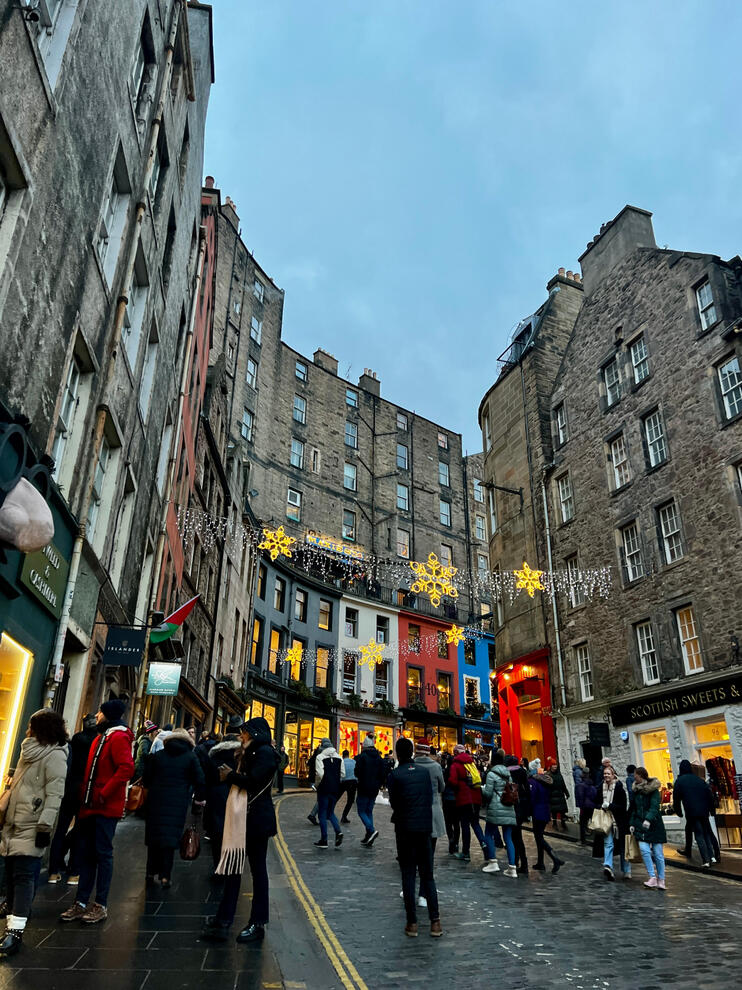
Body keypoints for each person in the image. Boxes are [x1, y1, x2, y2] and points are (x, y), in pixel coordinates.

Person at [202, 717, 279, 943]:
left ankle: (258, 922)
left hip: (256, 821)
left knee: (258, 871)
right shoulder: (249, 752)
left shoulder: (265, 753)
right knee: (233, 870)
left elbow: (253, 781)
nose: (241, 736)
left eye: (244, 733)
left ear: (254, 733)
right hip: (243, 818)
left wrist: (231, 775)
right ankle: (223, 919)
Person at [59, 698, 134, 924]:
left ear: (108, 715)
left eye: (100, 712)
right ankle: (81, 902)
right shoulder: (101, 737)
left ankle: (100, 904)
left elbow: (126, 768)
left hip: (105, 808)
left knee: (102, 854)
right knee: (86, 853)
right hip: (90, 806)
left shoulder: (118, 737)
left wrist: (104, 793)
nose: (97, 716)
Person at [0, 709, 68, 956]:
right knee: (11, 876)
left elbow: (55, 794)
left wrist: (44, 826)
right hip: (13, 822)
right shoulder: (27, 750)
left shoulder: (56, 755)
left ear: (41, 728)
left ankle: (15, 932)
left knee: (24, 877)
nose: (27, 729)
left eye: (31, 725)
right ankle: (11, 923)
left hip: (33, 823)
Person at [387, 738, 442, 939]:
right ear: (411, 752)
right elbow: (429, 798)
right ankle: (435, 922)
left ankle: (412, 923)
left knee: (408, 874)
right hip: (424, 829)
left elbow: (394, 802)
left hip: (405, 829)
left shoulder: (395, 775)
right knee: (428, 875)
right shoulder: (424, 773)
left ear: (397, 753)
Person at [143, 728, 205, 887]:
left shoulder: (158, 755)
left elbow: (146, 779)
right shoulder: (190, 757)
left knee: (154, 837)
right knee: (170, 839)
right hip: (177, 802)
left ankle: (150, 872)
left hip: (156, 801)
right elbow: (200, 780)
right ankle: (165, 876)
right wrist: (196, 797)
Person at [48, 713, 98, 883]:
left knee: (60, 829)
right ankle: (74, 873)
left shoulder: (75, 740)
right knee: (81, 832)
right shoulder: (97, 742)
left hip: (69, 788)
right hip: (85, 790)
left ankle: (53, 871)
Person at [203, 728, 243, 870]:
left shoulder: (214, 755)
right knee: (232, 833)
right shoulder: (239, 756)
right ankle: (230, 865)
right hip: (234, 795)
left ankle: (218, 866)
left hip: (215, 796)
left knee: (217, 834)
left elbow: (207, 778)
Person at [412, 739, 445, 903]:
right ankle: (423, 893)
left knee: (413, 854)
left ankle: (410, 888)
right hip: (432, 812)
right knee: (429, 854)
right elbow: (442, 787)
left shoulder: (411, 766)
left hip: (414, 813)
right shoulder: (436, 767)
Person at [448, 744, 491, 865]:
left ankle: (466, 852)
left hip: (464, 799)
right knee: (475, 824)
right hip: (476, 798)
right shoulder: (472, 763)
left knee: (465, 825)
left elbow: (453, 781)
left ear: (456, 753)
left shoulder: (456, 764)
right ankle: (485, 848)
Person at [672, 759, 717, 868]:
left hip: (692, 811)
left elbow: (676, 799)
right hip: (704, 811)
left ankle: (706, 860)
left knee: (699, 834)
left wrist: (679, 812)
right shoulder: (699, 780)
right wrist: (712, 810)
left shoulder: (679, 781)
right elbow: (709, 795)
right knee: (706, 833)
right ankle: (712, 857)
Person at [629, 766, 667, 890]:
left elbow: (655, 806)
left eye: (635, 775)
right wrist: (632, 823)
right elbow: (634, 808)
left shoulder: (653, 790)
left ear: (641, 776)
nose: (634, 777)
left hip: (655, 825)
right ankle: (652, 877)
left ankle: (661, 879)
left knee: (658, 854)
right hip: (640, 825)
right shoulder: (636, 791)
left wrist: (648, 819)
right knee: (644, 850)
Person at [482, 750, 518, 878]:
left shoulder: (491, 774)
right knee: (508, 838)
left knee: (488, 834)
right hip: (508, 807)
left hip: (496, 808)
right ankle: (512, 868)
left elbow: (488, 794)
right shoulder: (508, 774)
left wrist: (482, 789)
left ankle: (493, 862)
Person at [528, 760, 565, 874]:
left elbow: (532, 797)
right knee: (539, 836)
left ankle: (554, 858)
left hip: (537, 811)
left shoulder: (533, 781)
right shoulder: (545, 780)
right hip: (545, 810)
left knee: (539, 837)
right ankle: (540, 862)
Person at [596, 765, 630, 881]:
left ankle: (626, 869)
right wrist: (601, 806)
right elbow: (596, 802)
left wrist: (610, 806)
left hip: (619, 821)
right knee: (608, 843)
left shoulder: (619, 788)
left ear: (613, 775)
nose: (606, 775)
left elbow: (623, 807)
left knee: (623, 846)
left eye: (608, 774)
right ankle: (608, 866)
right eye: (605, 774)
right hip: (606, 820)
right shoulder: (600, 787)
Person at [354, 733, 386, 846]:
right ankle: (369, 836)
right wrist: (379, 783)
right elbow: (383, 773)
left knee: (361, 811)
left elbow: (357, 772)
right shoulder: (379, 758)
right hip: (374, 788)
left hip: (363, 787)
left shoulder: (362, 757)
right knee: (369, 811)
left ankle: (371, 830)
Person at [313, 739, 345, 849]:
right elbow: (343, 774)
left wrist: (317, 785)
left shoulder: (320, 757)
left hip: (324, 788)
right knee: (330, 812)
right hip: (335, 789)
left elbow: (320, 774)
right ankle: (338, 831)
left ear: (322, 746)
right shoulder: (339, 757)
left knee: (322, 814)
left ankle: (324, 840)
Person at [505, 754, 531, 874]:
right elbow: (527, 789)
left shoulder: (507, 773)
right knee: (517, 836)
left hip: (511, 806)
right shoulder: (522, 772)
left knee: (513, 837)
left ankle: (516, 862)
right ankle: (522, 862)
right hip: (520, 807)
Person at [441, 755, 460, 855]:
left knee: (448, 822)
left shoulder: (445, 772)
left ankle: (451, 839)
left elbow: (442, 786)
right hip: (456, 799)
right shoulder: (457, 772)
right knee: (456, 823)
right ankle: (456, 842)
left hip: (447, 799)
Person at [575, 769, 597, 845]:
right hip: (592, 806)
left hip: (584, 807)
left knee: (582, 824)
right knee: (594, 823)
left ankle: (583, 841)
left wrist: (580, 806)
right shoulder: (591, 784)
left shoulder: (580, 785)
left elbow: (580, 796)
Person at [546, 758, 569, 830]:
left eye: (555, 765)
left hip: (560, 794)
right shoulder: (548, 775)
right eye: (553, 765)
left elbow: (563, 784)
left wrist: (566, 793)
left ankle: (563, 823)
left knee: (562, 811)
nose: (555, 766)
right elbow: (546, 786)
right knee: (554, 811)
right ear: (551, 766)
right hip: (552, 795)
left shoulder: (559, 774)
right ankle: (555, 823)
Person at [339, 750, 357, 823]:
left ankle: (329, 813)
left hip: (343, 781)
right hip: (353, 781)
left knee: (336, 797)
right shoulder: (354, 762)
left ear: (343, 755)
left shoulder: (341, 762)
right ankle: (344, 816)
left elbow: (339, 772)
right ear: (348, 755)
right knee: (350, 801)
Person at [306, 744, 321, 825]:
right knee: (321, 800)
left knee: (321, 799)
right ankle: (313, 815)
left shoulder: (314, 757)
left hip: (313, 778)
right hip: (318, 780)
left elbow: (308, 763)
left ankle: (317, 815)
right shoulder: (319, 758)